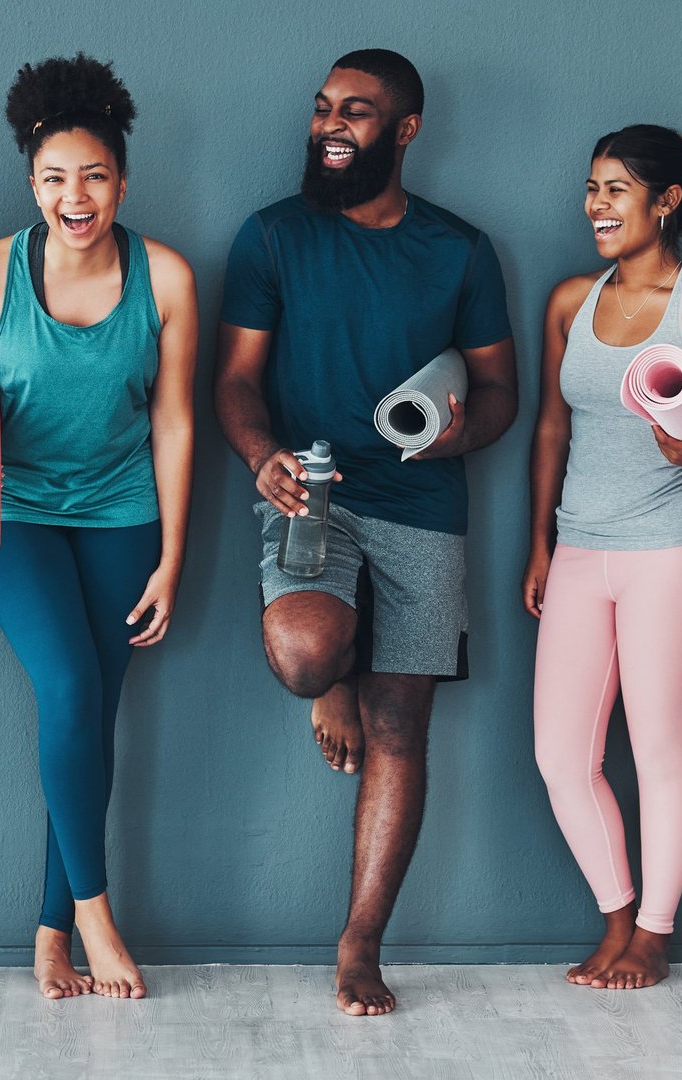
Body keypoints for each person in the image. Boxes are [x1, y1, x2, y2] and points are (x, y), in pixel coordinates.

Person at [215, 49, 517, 1015]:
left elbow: (502, 390)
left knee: (402, 728)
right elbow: (232, 380)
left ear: (405, 129)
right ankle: (335, 668)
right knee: (307, 656)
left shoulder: (461, 251)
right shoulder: (271, 237)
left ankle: (357, 946)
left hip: (425, 506)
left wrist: (462, 429)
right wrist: (261, 452)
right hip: (308, 490)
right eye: (321, 109)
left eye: (356, 110)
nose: (331, 125)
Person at [0, 54, 196, 1001]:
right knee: (67, 685)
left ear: (122, 181)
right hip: (13, 515)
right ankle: (98, 919)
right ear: (31, 184)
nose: (77, 196)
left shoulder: (168, 278)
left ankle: (46, 935)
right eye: (56, 178)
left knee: (90, 719)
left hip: (122, 515)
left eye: (95, 176)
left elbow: (174, 420)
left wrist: (174, 557)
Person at [524, 124, 682, 990]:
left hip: (673, 554)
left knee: (660, 750)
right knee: (561, 757)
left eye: (614, 190)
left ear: (664, 201)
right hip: (579, 550)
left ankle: (652, 935)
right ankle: (614, 917)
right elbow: (553, 425)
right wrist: (539, 542)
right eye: (590, 188)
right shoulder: (569, 300)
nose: (595, 204)